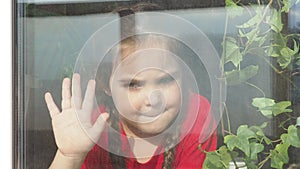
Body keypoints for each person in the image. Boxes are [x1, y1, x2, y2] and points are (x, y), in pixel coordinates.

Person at [45, 34, 217, 169]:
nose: (152, 99)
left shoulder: (194, 114)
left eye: (165, 80)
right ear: (106, 84)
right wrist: (69, 156)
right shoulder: (94, 126)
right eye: (133, 85)